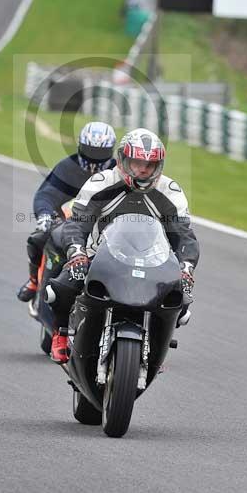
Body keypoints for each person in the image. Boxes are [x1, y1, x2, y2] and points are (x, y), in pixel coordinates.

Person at [46, 127, 200, 363]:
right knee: (59, 290)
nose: (143, 170)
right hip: (99, 256)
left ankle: (157, 348)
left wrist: (186, 267)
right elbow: (77, 224)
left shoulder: (170, 192)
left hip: (153, 261)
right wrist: (76, 252)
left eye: (150, 165)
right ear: (122, 160)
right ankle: (60, 332)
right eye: (137, 163)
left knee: (182, 305)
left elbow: (185, 236)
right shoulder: (100, 183)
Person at [16, 121, 117, 303]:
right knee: (39, 237)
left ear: (110, 151)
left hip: (106, 226)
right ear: (80, 147)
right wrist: (45, 215)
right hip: (67, 221)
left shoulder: (118, 172)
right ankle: (34, 281)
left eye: (100, 153)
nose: (94, 159)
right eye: (90, 151)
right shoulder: (67, 167)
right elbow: (46, 194)